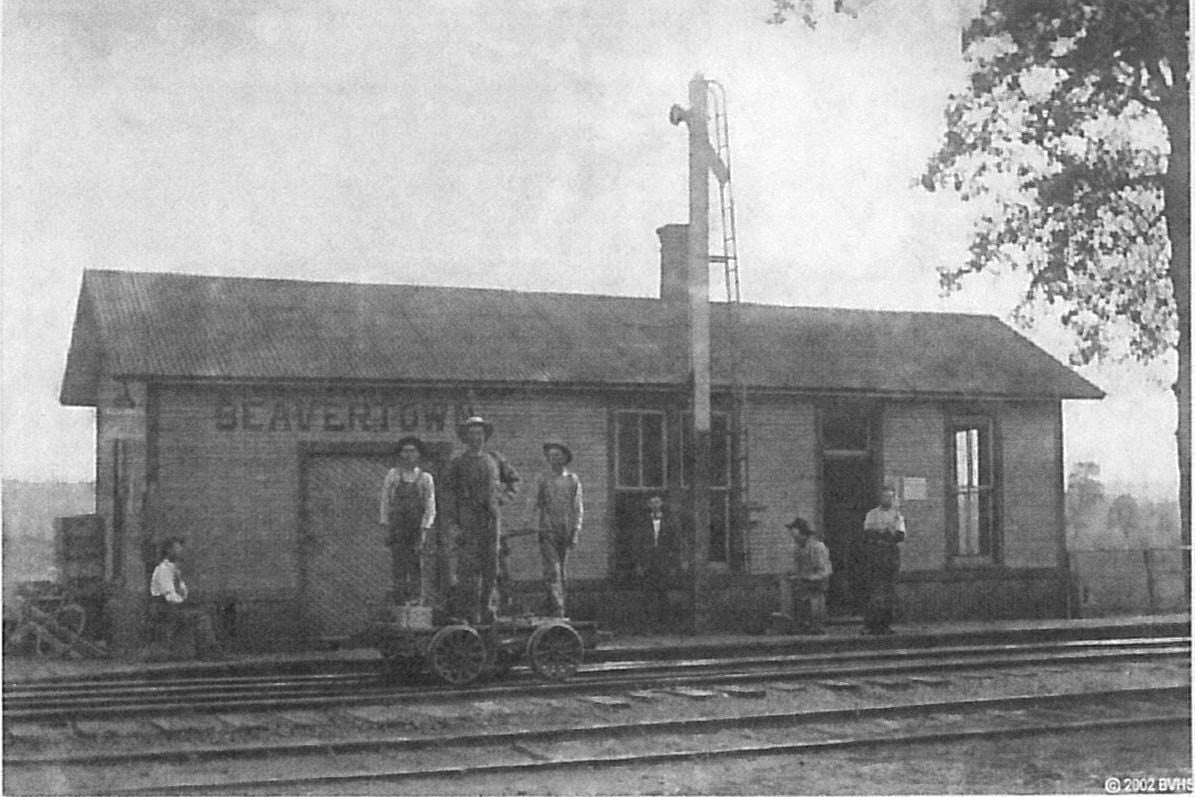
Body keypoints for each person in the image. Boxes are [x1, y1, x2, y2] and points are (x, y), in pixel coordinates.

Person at [441, 416, 520, 624]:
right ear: (465, 438)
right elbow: (448, 492)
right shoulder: (458, 462)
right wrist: (454, 522)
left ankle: (489, 610)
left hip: (491, 519)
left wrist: (502, 498)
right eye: (471, 434)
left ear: (485, 436)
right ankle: (470, 612)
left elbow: (514, 480)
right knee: (469, 566)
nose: (476, 437)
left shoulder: (495, 458)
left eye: (479, 433)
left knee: (491, 565)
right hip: (467, 519)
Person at [379, 436, 436, 604]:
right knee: (399, 564)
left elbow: (430, 505)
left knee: (416, 564)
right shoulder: (393, 475)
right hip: (398, 528)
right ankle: (399, 600)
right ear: (400, 454)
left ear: (418, 454)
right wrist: (386, 526)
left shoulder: (425, 478)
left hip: (416, 528)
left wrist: (424, 529)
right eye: (405, 451)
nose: (408, 455)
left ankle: (416, 600)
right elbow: (385, 501)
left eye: (412, 451)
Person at [147, 537, 219, 659]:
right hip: (163, 608)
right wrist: (185, 604)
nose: (180, 550)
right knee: (200, 617)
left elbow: (182, 592)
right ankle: (207, 651)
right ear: (168, 550)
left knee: (206, 611)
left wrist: (191, 600)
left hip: (173, 607)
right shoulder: (163, 570)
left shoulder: (174, 569)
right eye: (177, 548)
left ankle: (208, 649)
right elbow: (170, 596)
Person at [535, 441, 583, 617]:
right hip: (547, 530)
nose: (553, 459)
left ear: (564, 458)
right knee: (552, 570)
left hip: (566, 530)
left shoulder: (572, 480)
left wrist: (576, 531)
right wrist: (527, 521)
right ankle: (557, 611)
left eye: (557, 456)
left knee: (562, 571)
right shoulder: (543, 478)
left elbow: (578, 508)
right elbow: (532, 502)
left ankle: (556, 608)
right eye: (550, 456)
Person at [633, 494, 687, 630]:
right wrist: (639, 563)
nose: (655, 505)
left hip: (664, 561)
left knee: (664, 592)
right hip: (648, 561)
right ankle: (647, 624)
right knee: (647, 593)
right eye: (652, 502)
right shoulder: (643, 522)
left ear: (661, 503)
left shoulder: (670, 521)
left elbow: (676, 543)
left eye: (657, 502)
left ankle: (664, 624)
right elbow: (638, 543)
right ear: (649, 505)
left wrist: (675, 562)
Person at [861, 485, 906, 635]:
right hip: (874, 556)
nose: (887, 499)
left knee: (889, 591)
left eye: (890, 496)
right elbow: (868, 533)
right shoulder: (872, 515)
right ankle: (870, 624)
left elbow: (899, 536)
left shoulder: (897, 516)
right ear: (880, 498)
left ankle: (886, 624)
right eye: (884, 496)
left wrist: (884, 534)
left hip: (890, 557)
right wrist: (885, 533)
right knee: (874, 591)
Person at [787, 516, 832, 634]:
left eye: (798, 537)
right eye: (794, 537)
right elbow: (797, 566)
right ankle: (804, 624)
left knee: (815, 600)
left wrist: (812, 577)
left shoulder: (817, 547)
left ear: (805, 535)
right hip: (804, 580)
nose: (796, 540)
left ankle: (818, 625)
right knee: (801, 599)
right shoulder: (797, 548)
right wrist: (796, 575)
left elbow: (824, 568)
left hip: (818, 579)